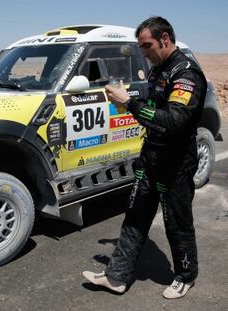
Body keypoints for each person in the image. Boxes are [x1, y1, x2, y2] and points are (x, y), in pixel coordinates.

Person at [82, 16, 207, 299]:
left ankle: (185, 276)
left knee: (177, 223)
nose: (144, 52)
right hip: (150, 157)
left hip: (176, 163)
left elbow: (174, 120)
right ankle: (117, 276)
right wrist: (129, 97)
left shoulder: (186, 74)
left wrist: (129, 104)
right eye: (140, 47)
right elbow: (153, 102)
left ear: (165, 39)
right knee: (135, 217)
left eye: (147, 45)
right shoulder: (157, 69)